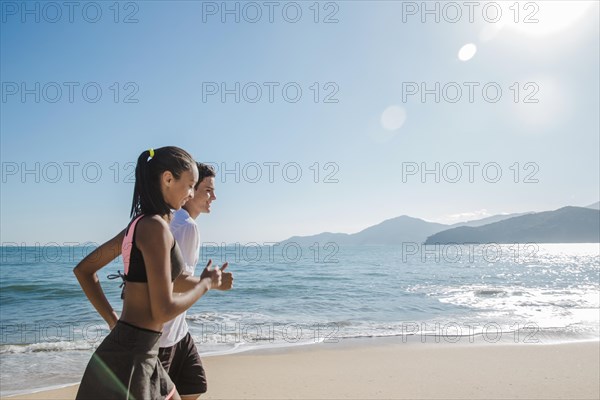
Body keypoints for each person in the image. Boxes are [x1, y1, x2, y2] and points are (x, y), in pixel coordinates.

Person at [73, 147, 227, 400]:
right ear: (168, 179)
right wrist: (206, 284)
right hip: (133, 359)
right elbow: (163, 310)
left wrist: (114, 321)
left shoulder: (138, 224)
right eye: (189, 185)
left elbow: (84, 270)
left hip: (141, 350)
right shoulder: (156, 227)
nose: (190, 193)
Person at [158, 163, 229, 399]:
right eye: (207, 190)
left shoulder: (173, 220)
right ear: (190, 191)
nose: (214, 197)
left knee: (195, 386)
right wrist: (210, 282)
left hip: (179, 332)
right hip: (165, 336)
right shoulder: (186, 226)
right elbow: (173, 281)